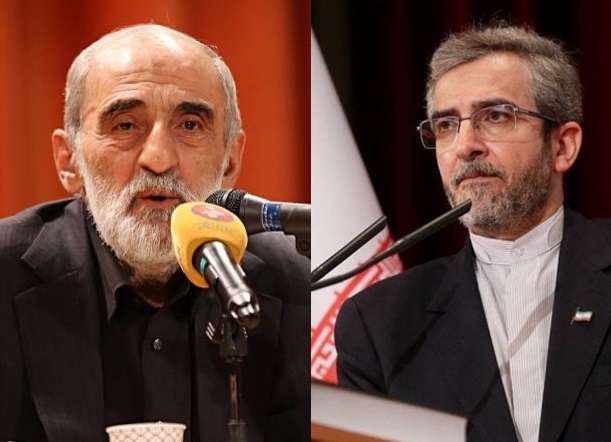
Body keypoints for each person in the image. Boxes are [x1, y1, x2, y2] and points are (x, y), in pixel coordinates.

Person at [0, 24, 309, 442]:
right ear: (69, 160)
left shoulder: (296, 283)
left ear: (231, 161)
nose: (159, 159)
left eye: (190, 125)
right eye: (126, 125)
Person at [334, 23, 611, 442]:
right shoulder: (380, 325)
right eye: (446, 125)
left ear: (562, 146)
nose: (465, 146)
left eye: (496, 116)